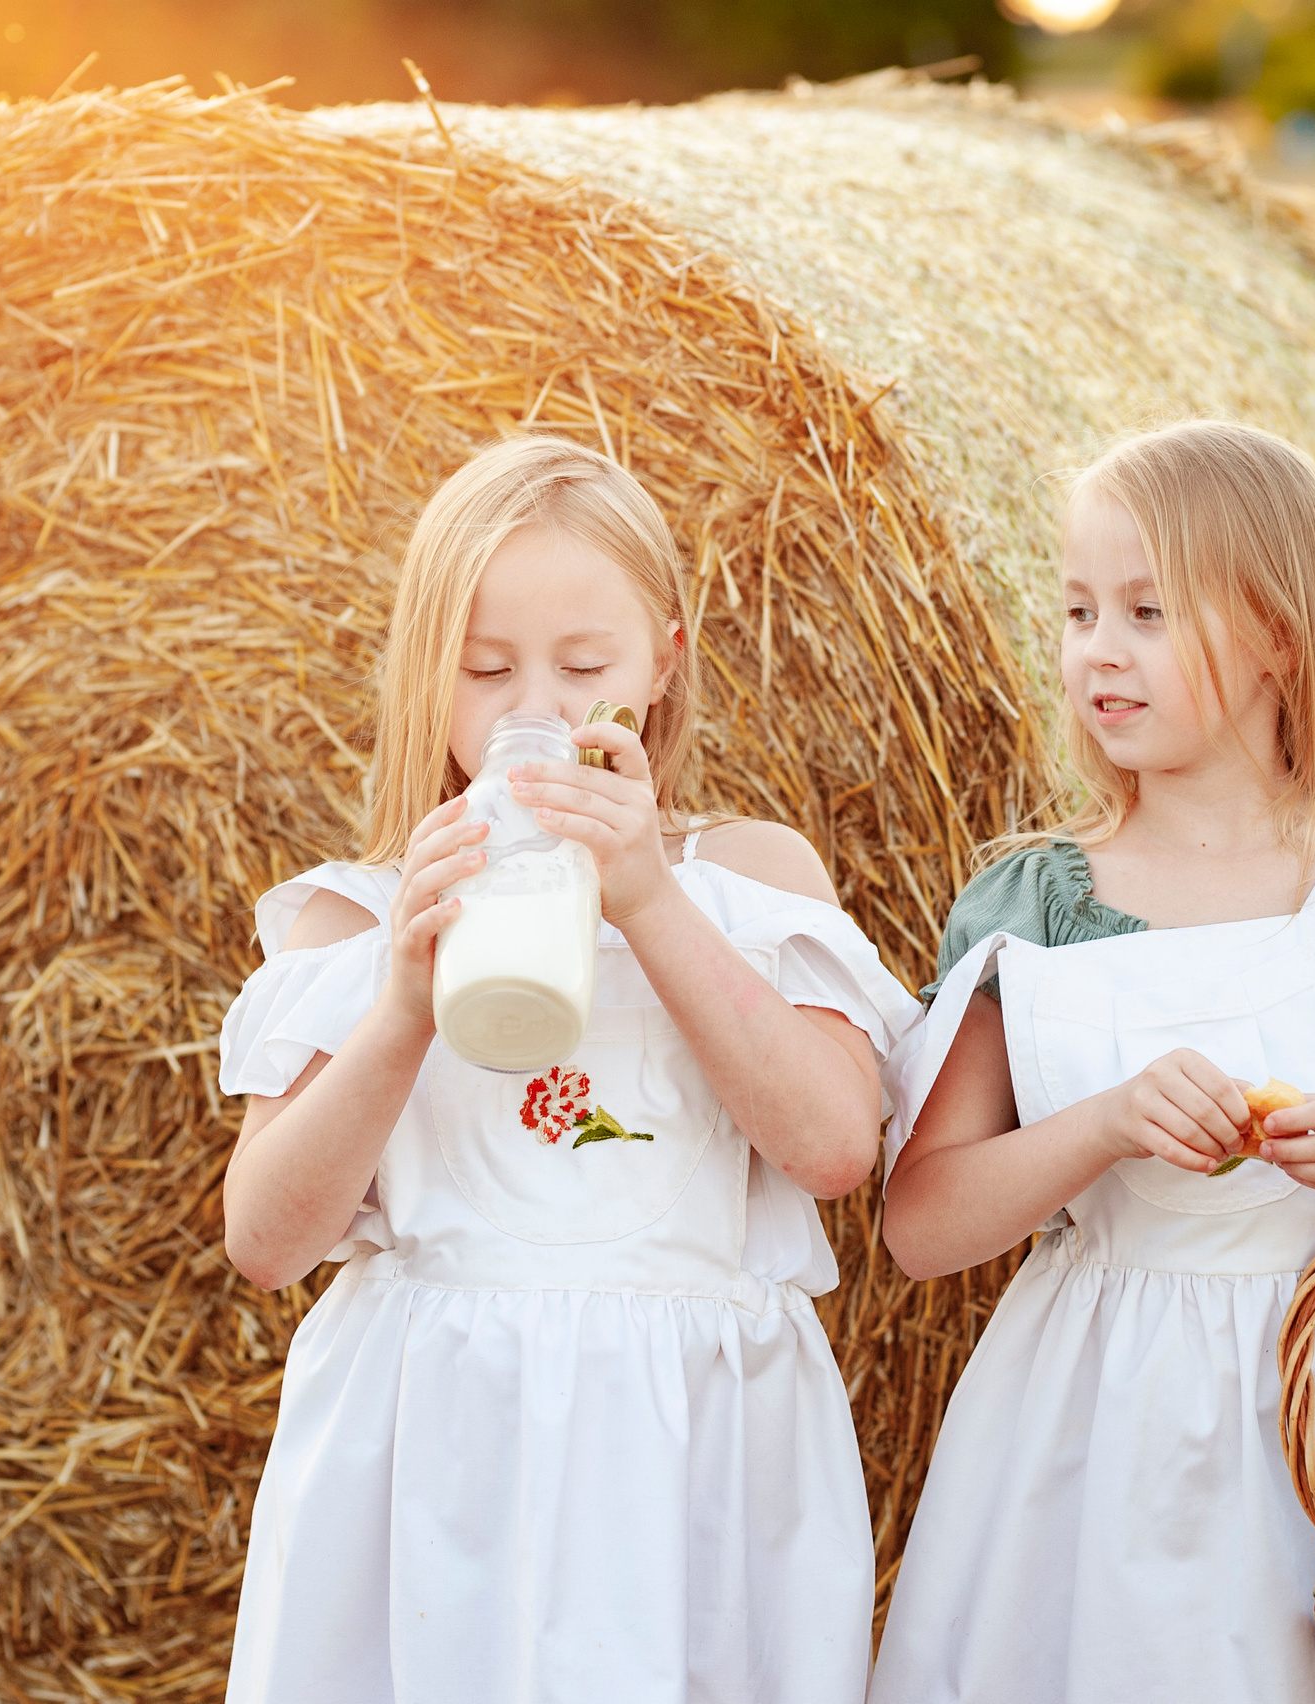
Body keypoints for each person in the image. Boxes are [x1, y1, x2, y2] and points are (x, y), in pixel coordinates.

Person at [214, 435, 916, 1704]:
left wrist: (645, 895)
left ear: (662, 658)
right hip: (436, 1459)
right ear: (426, 677)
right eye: (485, 670)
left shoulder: (749, 880)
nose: (530, 703)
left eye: (582, 667)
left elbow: (832, 1147)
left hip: (685, 1458)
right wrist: (404, 1005)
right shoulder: (356, 919)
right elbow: (266, 1239)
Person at [869, 420, 1315, 1704]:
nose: (1096, 652)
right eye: (1076, 610)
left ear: (1279, 636)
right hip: (1086, 1425)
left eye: (1147, 611)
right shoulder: (1033, 907)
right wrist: (1105, 1125)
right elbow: (922, 1226)